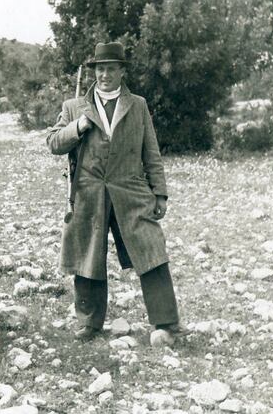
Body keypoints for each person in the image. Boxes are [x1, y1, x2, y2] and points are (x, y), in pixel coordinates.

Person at [46, 42, 182, 342]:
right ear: (93, 71)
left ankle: (167, 321)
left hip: (131, 192)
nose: (104, 74)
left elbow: (152, 152)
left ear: (122, 70)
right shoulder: (74, 107)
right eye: (99, 68)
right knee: (87, 255)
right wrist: (78, 126)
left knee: (151, 250)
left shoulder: (138, 105)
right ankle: (89, 323)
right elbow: (54, 143)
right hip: (88, 192)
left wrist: (159, 193)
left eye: (110, 68)